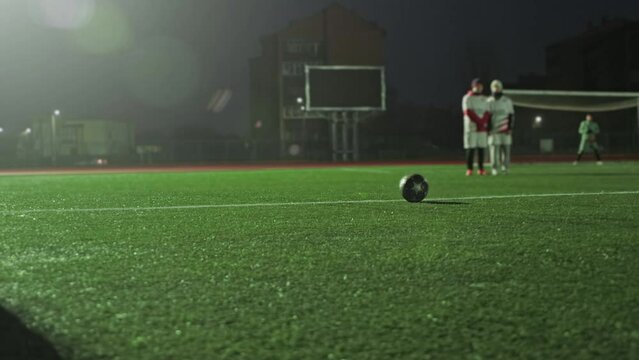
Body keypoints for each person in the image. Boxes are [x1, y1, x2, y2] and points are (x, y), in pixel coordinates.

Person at [462, 78, 491, 176]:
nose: (479, 87)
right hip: (471, 128)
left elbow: (487, 113)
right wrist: (480, 122)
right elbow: (468, 112)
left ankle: (481, 169)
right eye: (477, 85)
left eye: (480, 86)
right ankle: (469, 169)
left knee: (481, 148)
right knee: (471, 148)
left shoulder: (485, 99)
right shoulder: (467, 98)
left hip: (482, 128)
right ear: (473, 86)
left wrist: (483, 123)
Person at [487, 80, 515, 175]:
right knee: (494, 150)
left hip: (505, 129)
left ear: (501, 88)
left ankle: (505, 168)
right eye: (494, 87)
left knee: (506, 150)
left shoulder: (507, 101)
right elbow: (487, 116)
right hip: (494, 130)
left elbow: (511, 115)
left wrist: (510, 128)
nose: (496, 88)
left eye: (498, 86)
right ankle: (494, 168)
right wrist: (488, 129)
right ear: (492, 88)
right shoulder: (489, 101)